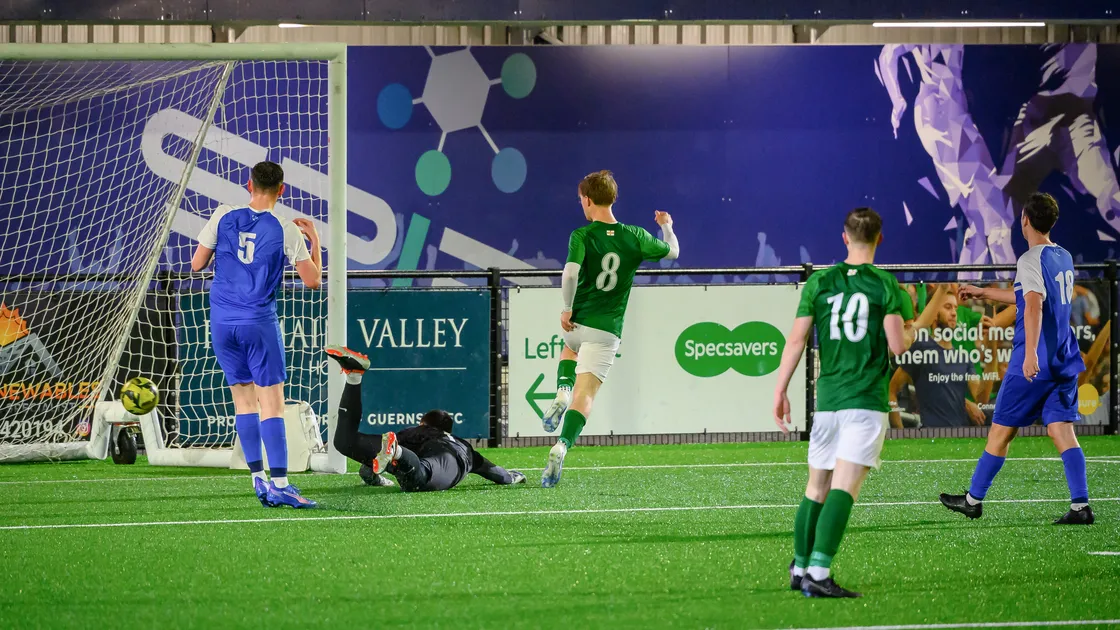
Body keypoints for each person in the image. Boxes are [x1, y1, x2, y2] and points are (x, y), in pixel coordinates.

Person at [773, 207, 911, 598]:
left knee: (816, 487)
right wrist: (911, 331)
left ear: (844, 237)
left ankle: (800, 568)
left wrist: (780, 389)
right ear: (879, 239)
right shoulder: (886, 285)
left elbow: (797, 340)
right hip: (865, 400)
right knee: (845, 487)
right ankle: (819, 571)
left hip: (829, 400)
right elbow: (898, 345)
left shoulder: (819, 282)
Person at [940, 192, 1092, 525]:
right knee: (1061, 430)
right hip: (1064, 357)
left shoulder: (1029, 260)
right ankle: (1081, 507)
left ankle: (973, 500)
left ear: (1024, 219)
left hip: (1036, 360)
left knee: (1000, 432)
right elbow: (1026, 296)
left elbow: (1034, 304)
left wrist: (1031, 354)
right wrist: (982, 293)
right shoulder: (1063, 255)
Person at [191, 161, 321, 508]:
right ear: (282, 190)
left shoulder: (222, 215)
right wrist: (315, 241)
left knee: (244, 401)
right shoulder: (284, 229)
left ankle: (258, 480)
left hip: (221, 322)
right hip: (258, 322)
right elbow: (312, 281)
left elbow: (196, 263)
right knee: (272, 404)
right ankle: (280, 483)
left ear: (249, 185)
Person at [538, 170, 680, 488]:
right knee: (585, 395)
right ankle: (561, 446)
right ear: (613, 198)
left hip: (579, 322)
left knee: (569, 348)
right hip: (607, 330)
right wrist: (666, 226)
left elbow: (570, 273)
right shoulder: (635, 236)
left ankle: (561, 389)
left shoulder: (583, 235)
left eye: (581, 200)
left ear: (588, 200)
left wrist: (567, 308)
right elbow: (673, 253)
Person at [325, 346, 526, 492]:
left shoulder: (416, 433)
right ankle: (397, 452)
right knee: (418, 477)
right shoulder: (466, 448)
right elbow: (497, 473)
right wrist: (513, 477)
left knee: (345, 442)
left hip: (415, 451)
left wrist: (375, 478)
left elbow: (368, 466)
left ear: (423, 424)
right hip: (448, 457)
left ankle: (354, 377)